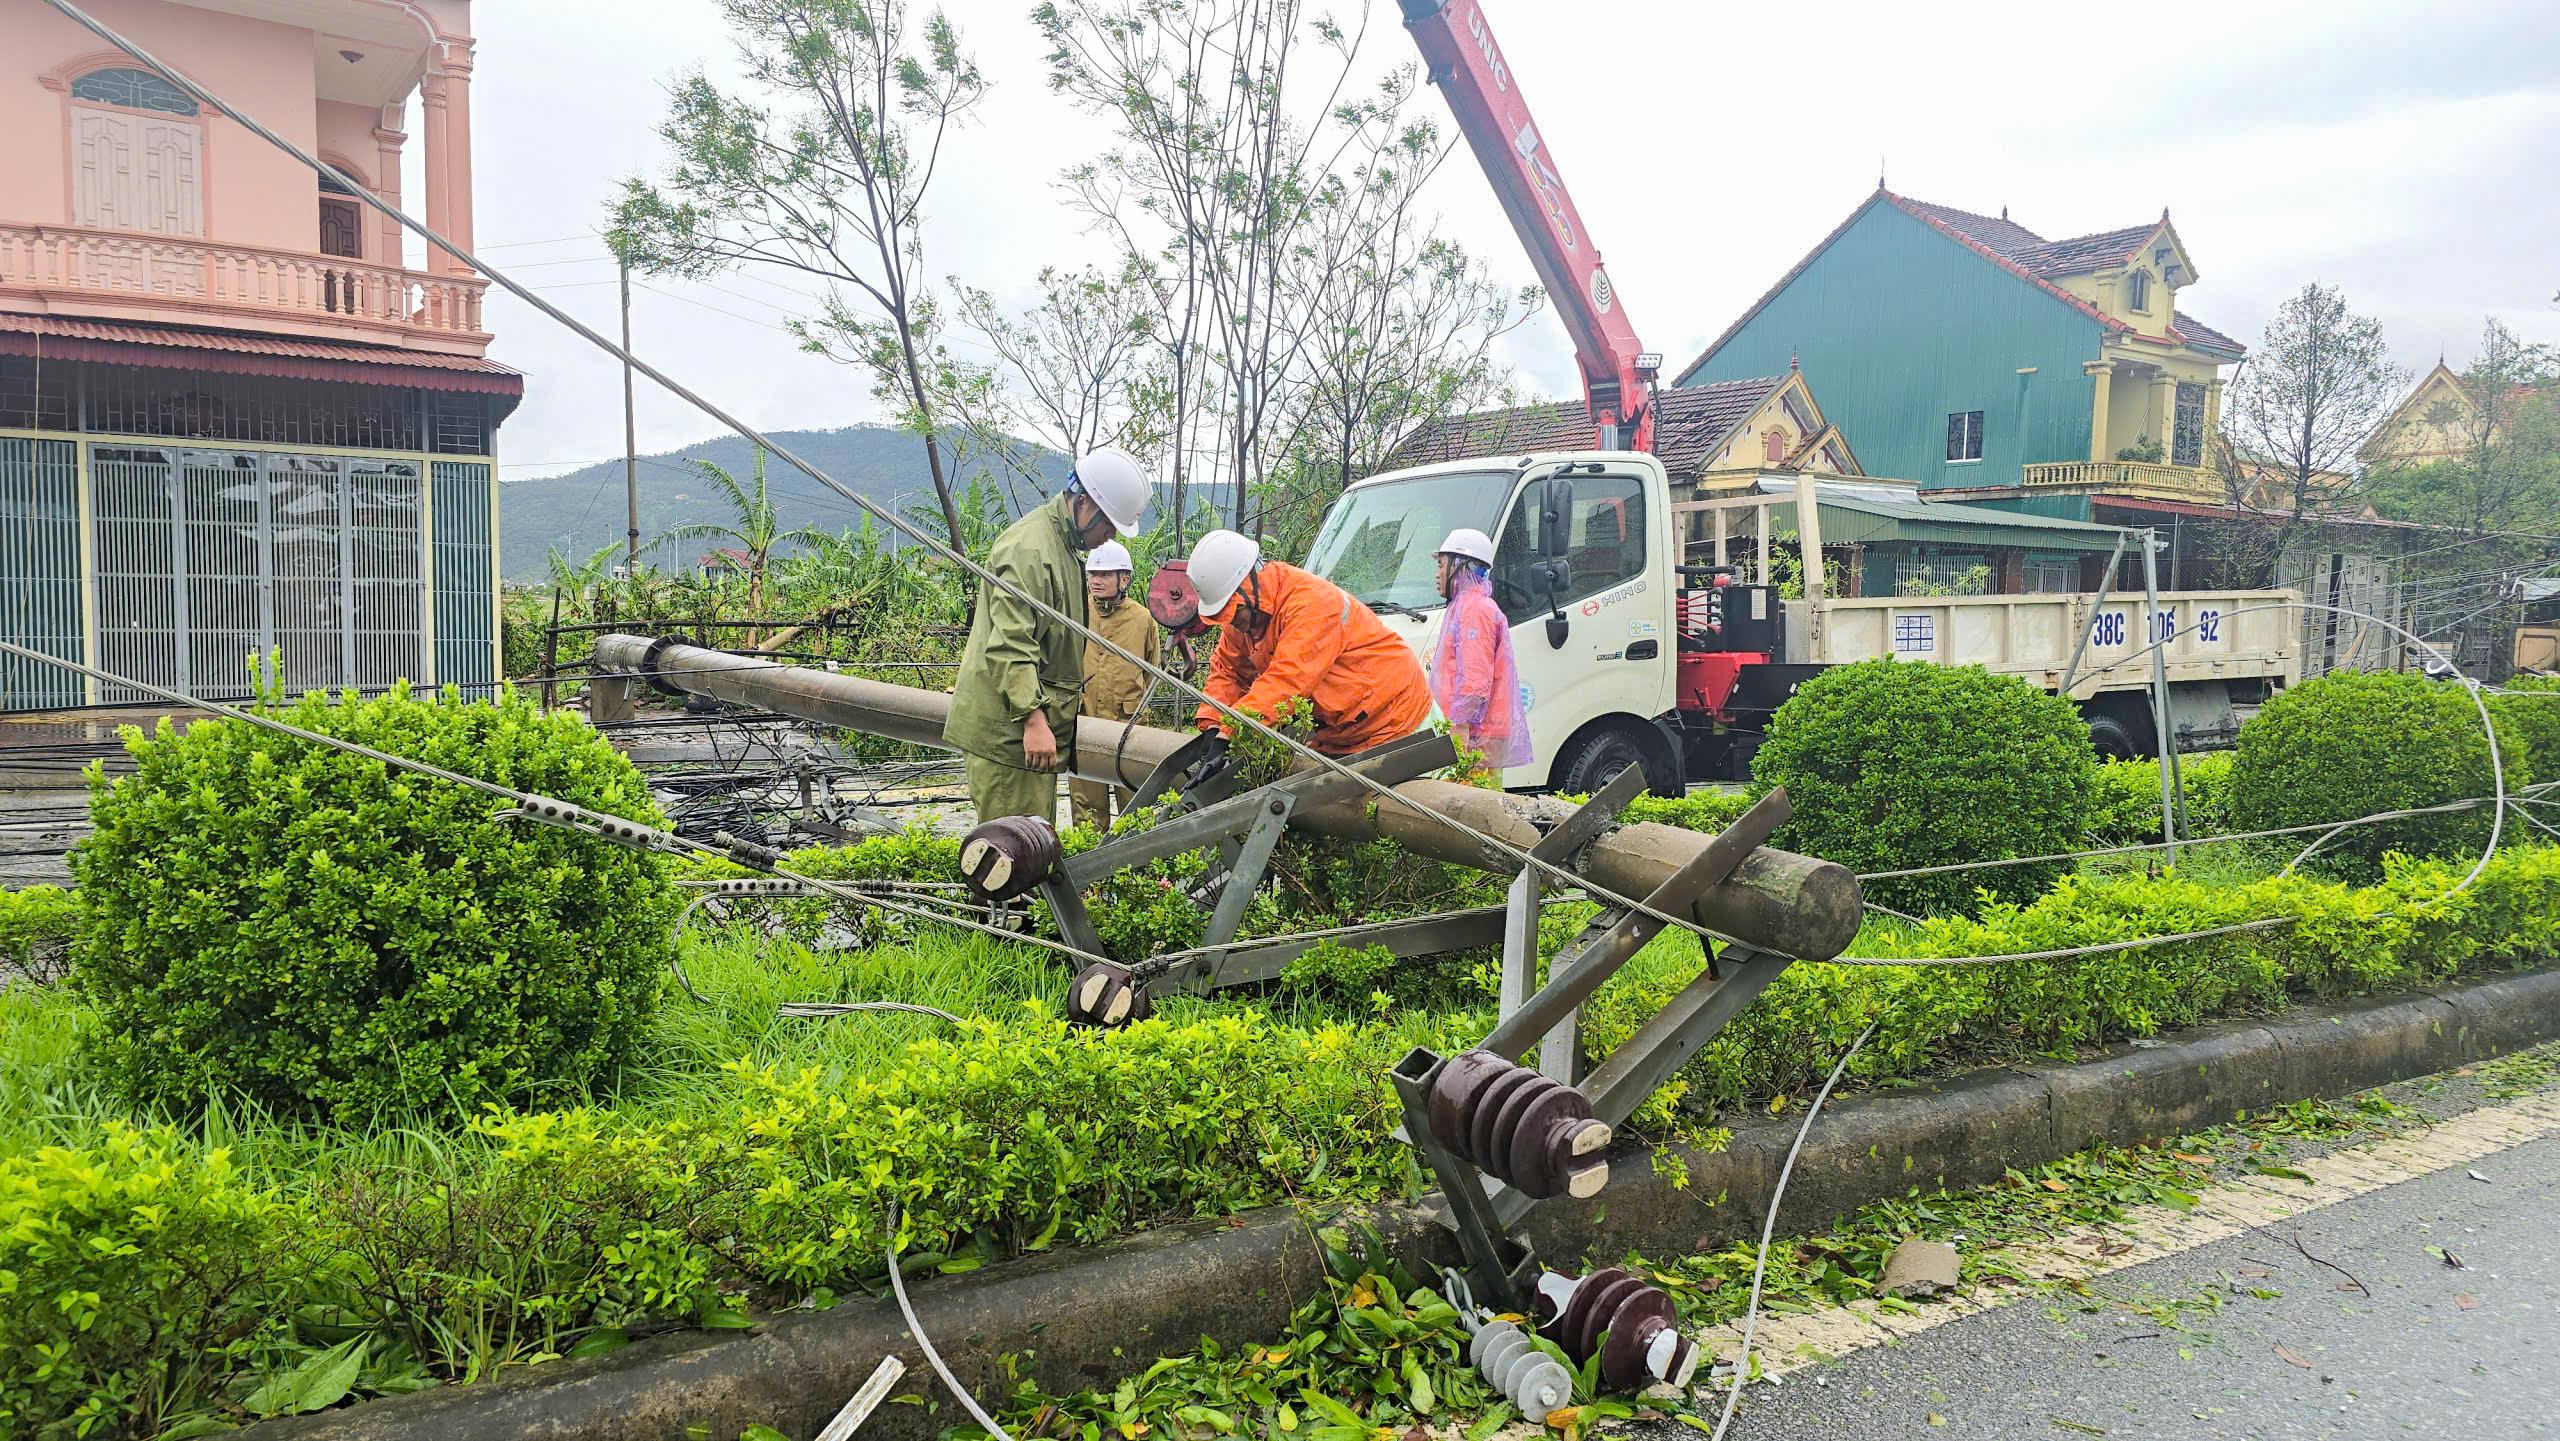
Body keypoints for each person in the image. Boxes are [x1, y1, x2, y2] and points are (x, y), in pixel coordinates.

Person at [942, 447, 1151, 822]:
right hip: (1008, 739)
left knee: (1034, 850)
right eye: (1108, 524)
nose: (1110, 536)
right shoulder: (1030, 549)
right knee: (1013, 858)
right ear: (1084, 503)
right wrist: (1034, 721)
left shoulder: (1063, 549)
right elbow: (1010, 644)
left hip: (1027, 737)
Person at [1182, 529, 1432, 757]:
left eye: (1233, 612)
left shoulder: (1312, 604)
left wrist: (1230, 733)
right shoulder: (1243, 618)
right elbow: (1229, 672)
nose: (1232, 622)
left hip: (1398, 722)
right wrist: (1213, 725)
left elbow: (1288, 679)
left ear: (1249, 588)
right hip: (1339, 734)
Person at [1070, 539, 1162, 830]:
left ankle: (1137, 872)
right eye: (1093, 575)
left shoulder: (1142, 619)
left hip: (1130, 729)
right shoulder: (1077, 612)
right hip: (1084, 727)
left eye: (1105, 574)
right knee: (1087, 814)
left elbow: (1151, 671)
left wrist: (1133, 707)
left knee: (1136, 811)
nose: (1096, 581)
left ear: (1124, 579)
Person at [1429, 527, 1532, 775]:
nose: (1437, 574)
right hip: (1472, 732)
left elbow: (1474, 681)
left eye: (1442, 565)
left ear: (1460, 566)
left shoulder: (1475, 609)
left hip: (1475, 735)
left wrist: (1460, 732)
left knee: (1473, 807)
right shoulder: (1466, 605)